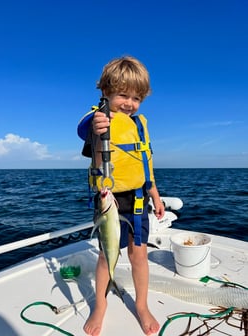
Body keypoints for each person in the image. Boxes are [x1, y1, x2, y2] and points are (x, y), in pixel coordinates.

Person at [78, 56, 165, 336]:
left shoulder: (140, 124)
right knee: (106, 256)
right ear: (105, 93)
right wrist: (95, 128)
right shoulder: (100, 119)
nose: (130, 103)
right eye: (123, 95)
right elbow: (89, 142)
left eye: (136, 98)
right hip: (109, 200)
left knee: (139, 256)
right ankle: (100, 304)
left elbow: (145, 163)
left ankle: (141, 304)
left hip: (139, 199)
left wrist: (155, 195)